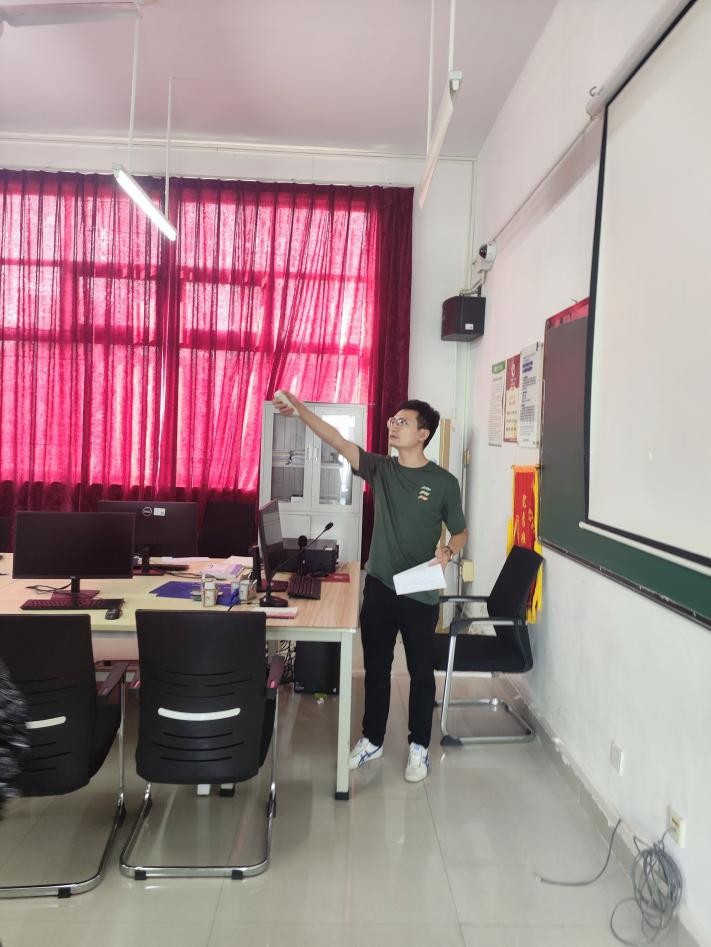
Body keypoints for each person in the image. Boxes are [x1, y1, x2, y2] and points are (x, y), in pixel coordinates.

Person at [272, 392, 467, 782]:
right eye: (393, 420)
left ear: (423, 434)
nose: (393, 425)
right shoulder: (381, 469)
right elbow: (336, 439)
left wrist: (448, 550)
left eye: (403, 422)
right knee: (376, 668)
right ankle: (372, 740)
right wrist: (301, 410)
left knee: (421, 672)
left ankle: (418, 747)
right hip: (379, 586)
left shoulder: (444, 483)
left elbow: (460, 531)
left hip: (421, 592)